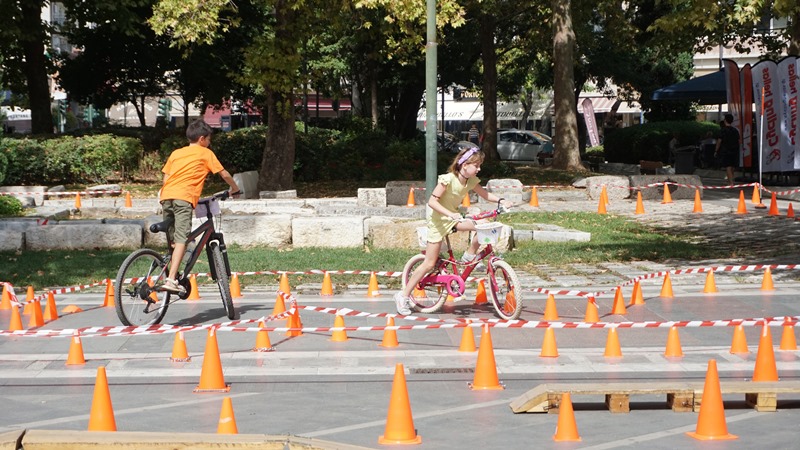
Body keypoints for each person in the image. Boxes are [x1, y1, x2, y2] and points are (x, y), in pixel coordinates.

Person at [393, 147, 513, 315]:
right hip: (439, 222)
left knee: (483, 224)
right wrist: (450, 214)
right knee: (429, 263)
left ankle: (469, 255)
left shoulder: (470, 181)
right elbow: (432, 202)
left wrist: (502, 201)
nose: (479, 169)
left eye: (480, 165)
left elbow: (485, 195)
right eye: (476, 165)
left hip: (455, 219)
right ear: (464, 164)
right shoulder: (448, 179)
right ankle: (403, 295)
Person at [159, 119, 240, 294]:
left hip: (166, 196)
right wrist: (235, 189)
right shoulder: (205, 153)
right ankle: (171, 279)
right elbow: (224, 174)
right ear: (202, 139)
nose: (209, 143)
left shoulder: (176, 153)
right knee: (182, 238)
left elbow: (166, 178)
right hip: (184, 198)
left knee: (174, 240)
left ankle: (173, 270)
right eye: (209, 139)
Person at [715, 114, 740, 186]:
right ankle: (730, 179)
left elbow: (719, 141)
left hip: (726, 150)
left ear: (725, 120)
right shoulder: (735, 130)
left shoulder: (723, 130)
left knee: (728, 166)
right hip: (735, 150)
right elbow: (739, 140)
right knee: (732, 166)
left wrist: (716, 150)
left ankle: (731, 182)